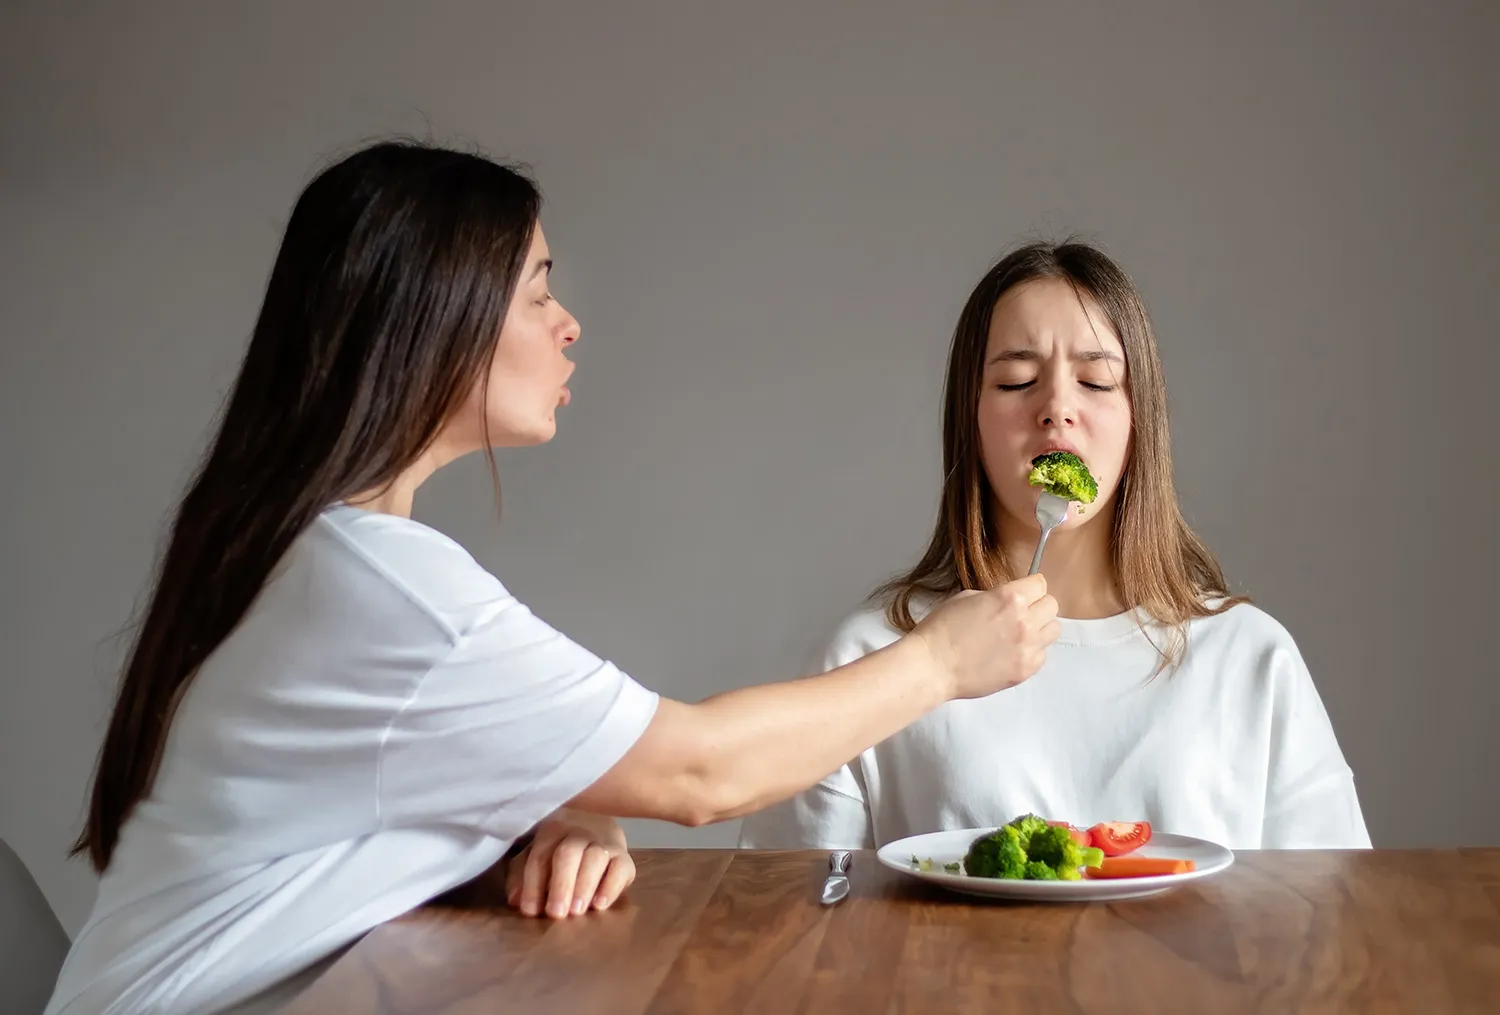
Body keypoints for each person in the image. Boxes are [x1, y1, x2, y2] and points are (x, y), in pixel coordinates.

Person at [43, 142, 1060, 1015]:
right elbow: (701, 774)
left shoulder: (305, 552)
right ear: (432, 320)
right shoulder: (381, 587)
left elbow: (357, 809)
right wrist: (940, 661)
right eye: (536, 290)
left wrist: (552, 804)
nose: (569, 322)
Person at [739, 239, 1371, 854]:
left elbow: (1330, 921)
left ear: (1138, 420)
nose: (1056, 408)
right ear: (970, 418)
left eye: (1096, 382)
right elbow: (789, 919)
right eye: (1016, 381)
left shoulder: (1250, 659)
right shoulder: (872, 658)